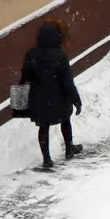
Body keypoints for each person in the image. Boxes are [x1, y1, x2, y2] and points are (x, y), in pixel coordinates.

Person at [21, 18, 82, 169]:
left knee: (44, 127)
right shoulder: (60, 55)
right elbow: (68, 81)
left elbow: (25, 78)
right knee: (65, 120)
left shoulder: (31, 54)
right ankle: (69, 148)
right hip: (59, 97)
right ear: (57, 37)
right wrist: (76, 100)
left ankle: (47, 158)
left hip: (39, 99)